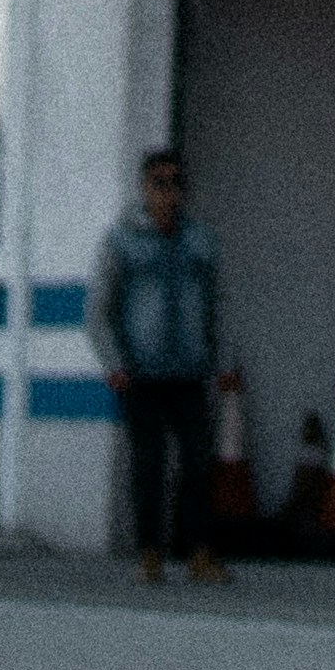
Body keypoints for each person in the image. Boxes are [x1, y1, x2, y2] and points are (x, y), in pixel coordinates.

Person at [88, 147, 229, 588]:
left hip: (190, 372)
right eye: (160, 184)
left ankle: (199, 552)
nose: (170, 193)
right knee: (148, 466)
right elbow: (98, 310)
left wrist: (221, 362)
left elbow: (217, 307)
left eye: (177, 183)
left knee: (197, 465)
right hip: (141, 375)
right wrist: (113, 364)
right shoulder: (122, 241)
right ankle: (150, 553)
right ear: (145, 188)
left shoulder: (201, 242)